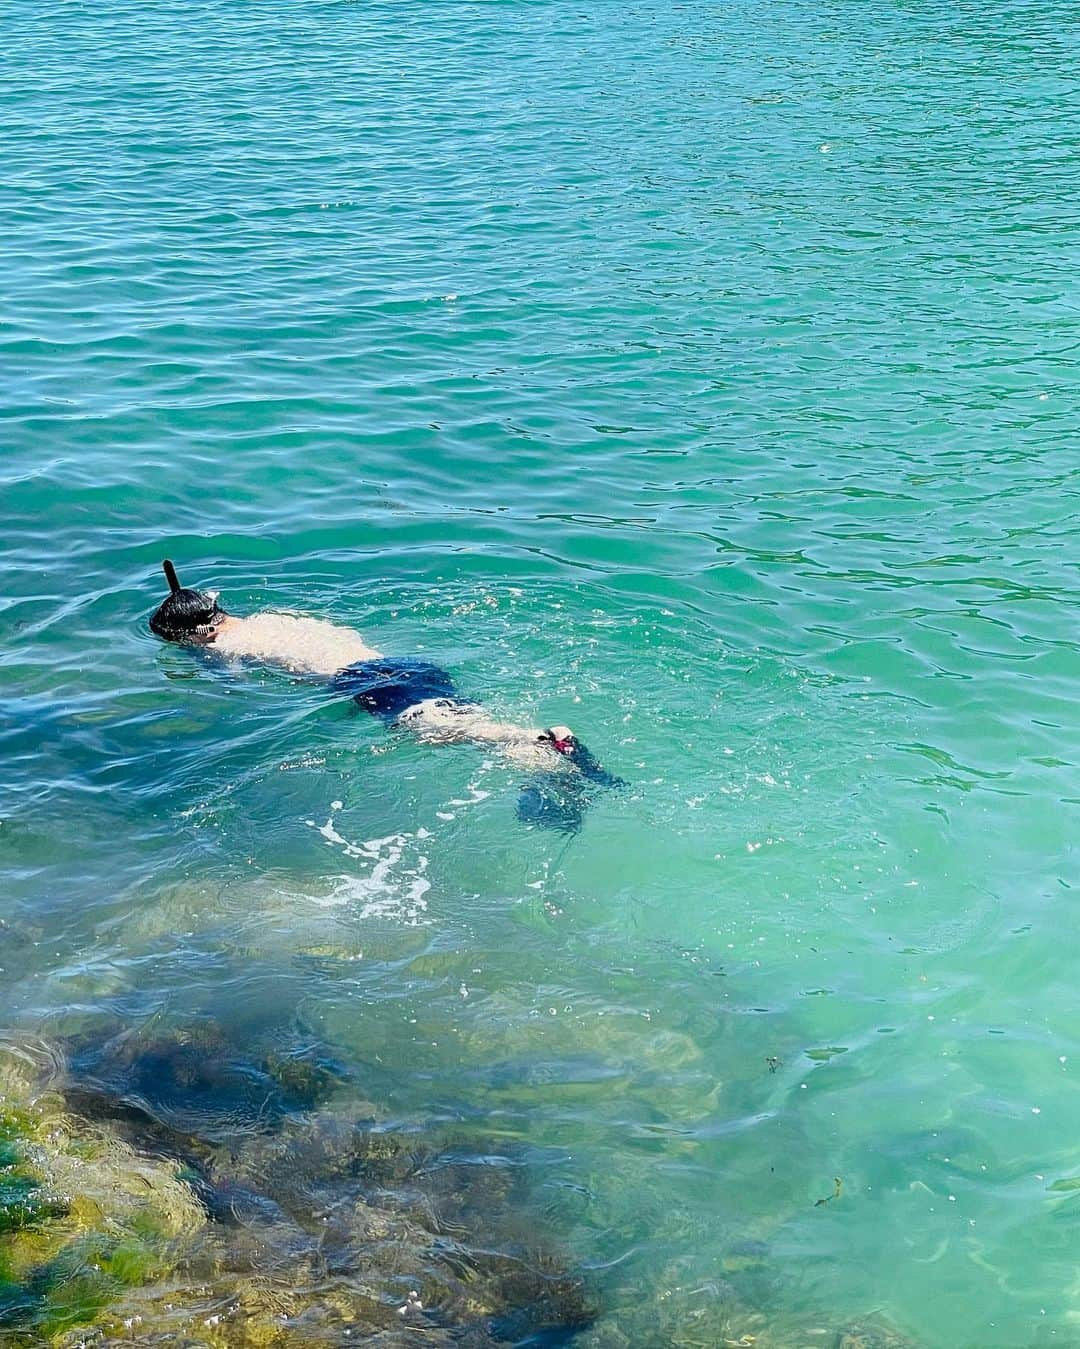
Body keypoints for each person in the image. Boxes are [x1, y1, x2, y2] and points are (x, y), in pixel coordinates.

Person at [149, 560, 622, 828]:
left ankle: (542, 738)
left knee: (443, 733)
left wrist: (201, 670)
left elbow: (239, 688)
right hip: (401, 665)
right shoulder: (269, 619)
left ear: (198, 633)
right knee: (467, 722)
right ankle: (548, 772)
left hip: (367, 683)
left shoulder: (226, 645)